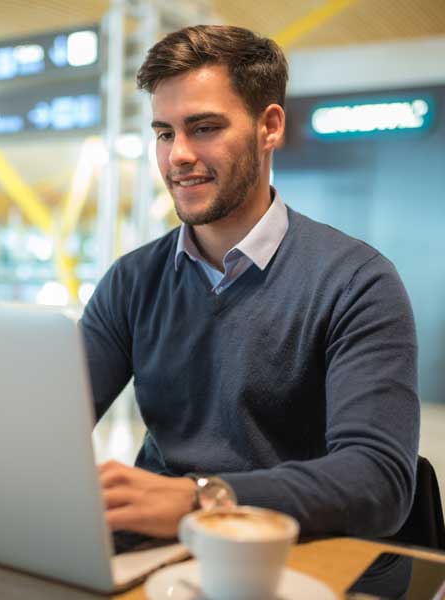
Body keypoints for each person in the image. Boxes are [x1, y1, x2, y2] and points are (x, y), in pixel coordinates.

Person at [80, 25, 419, 541]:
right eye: (165, 133)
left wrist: (202, 501)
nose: (177, 156)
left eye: (205, 127)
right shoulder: (131, 280)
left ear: (270, 127)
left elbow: (379, 481)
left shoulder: (356, 282)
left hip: (290, 552)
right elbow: (47, 428)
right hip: (153, 549)